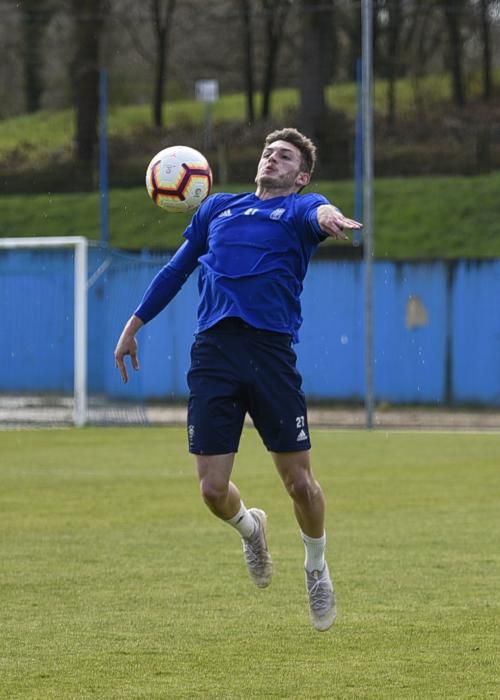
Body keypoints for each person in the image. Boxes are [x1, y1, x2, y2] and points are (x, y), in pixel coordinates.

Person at [114, 127, 362, 632]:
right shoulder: (217, 208)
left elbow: (319, 212)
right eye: (269, 152)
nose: (273, 158)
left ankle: (316, 567)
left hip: (271, 355)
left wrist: (330, 217)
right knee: (211, 490)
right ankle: (252, 529)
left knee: (300, 483)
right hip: (214, 353)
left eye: (285, 156)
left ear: (301, 175)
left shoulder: (298, 209)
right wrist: (133, 325)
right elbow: (176, 270)